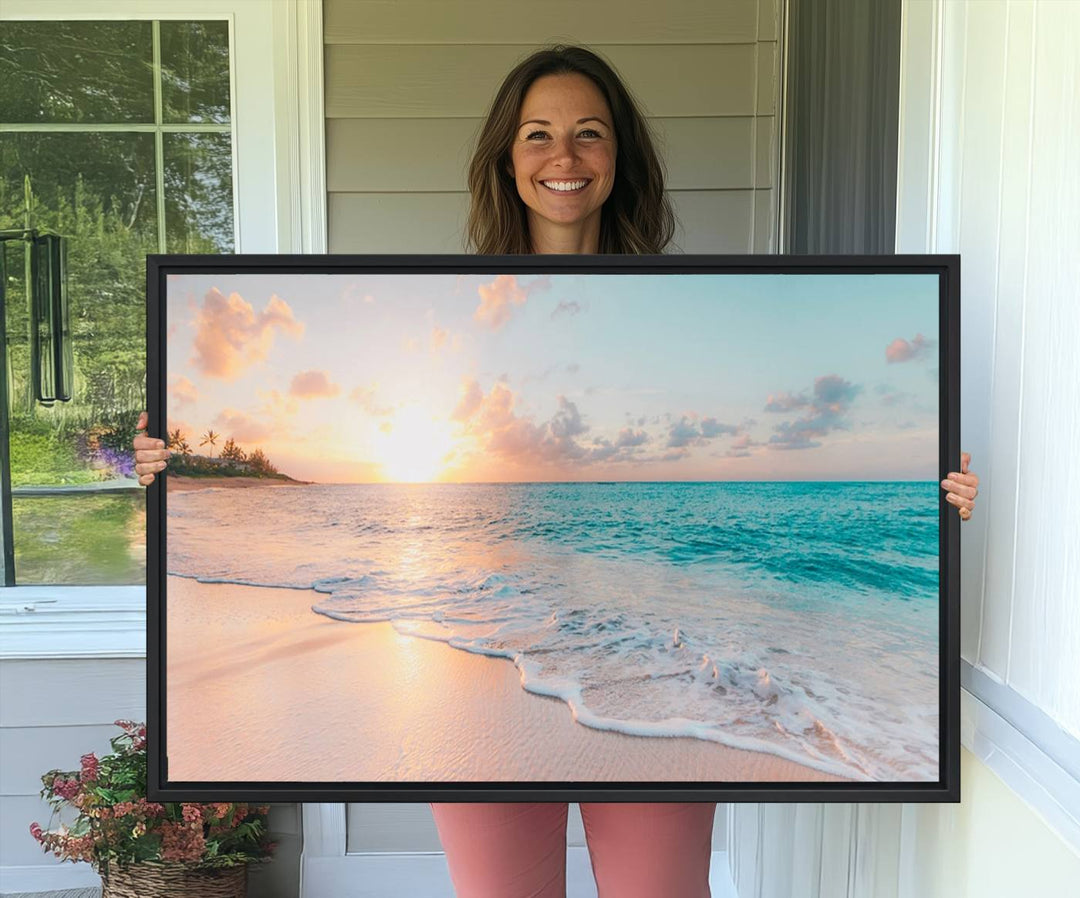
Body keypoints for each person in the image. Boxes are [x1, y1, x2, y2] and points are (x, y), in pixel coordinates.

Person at [133, 45, 980, 898]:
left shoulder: (679, 306)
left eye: (589, 134)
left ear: (620, 158)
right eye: (538, 135)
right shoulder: (451, 303)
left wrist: (932, 495)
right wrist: (165, 467)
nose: (564, 157)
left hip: (659, 669)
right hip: (478, 635)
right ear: (508, 157)